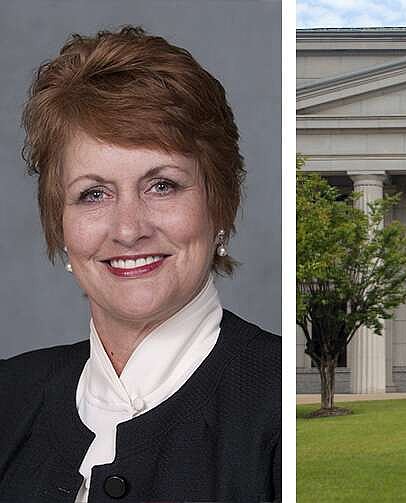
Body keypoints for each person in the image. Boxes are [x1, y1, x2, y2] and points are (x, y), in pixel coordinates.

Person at [0, 26, 280, 502]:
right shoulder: (8, 396)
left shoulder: (275, 408)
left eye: (162, 185)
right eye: (93, 194)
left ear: (220, 207)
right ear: (61, 227)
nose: (128, 229)